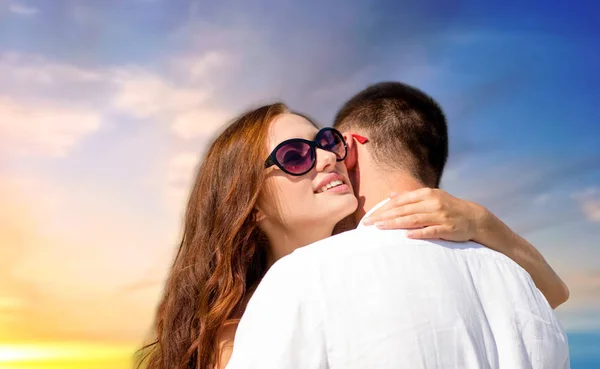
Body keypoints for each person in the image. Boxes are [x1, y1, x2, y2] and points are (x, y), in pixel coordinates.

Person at [136, 97, 567, 369]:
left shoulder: (364, 263)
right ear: (248, 209)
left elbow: (547, 293)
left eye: (326, 141)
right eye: (294, 155)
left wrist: (481, 222)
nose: (326, 157)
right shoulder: (236, 332)